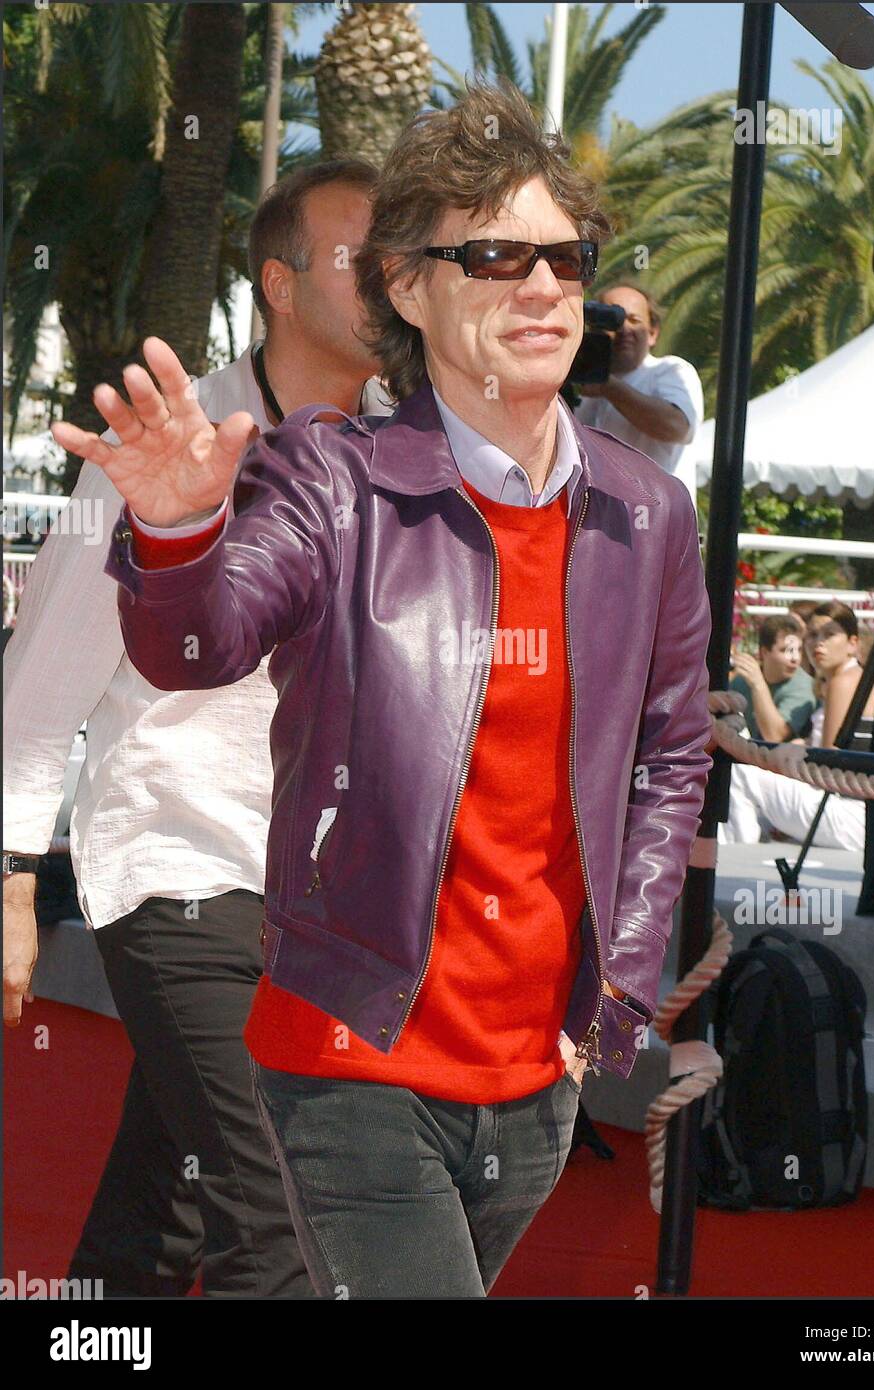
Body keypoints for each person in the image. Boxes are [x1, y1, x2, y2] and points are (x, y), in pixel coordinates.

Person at [65, 79, 714, 1299]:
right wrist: (175, 534)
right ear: (408, 286)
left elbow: (670, 756)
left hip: (536, 1082)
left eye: (565, 259)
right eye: (493, 256)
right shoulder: (332, 475)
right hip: (351, 1052)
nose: (541, 289)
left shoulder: (647, 512)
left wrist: (620, 986)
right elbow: (194, 648)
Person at [3, 158, 392, 1298]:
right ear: (279, 281)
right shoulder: (162, 442)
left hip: (320, 894)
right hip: (176, 867)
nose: (390, 277)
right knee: (281, 1216)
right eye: (357, 254)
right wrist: (12, 877)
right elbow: (41, 684)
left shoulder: (402, 452)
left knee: (161, 1210)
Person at [720, 601, 874, 851]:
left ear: (852, 643)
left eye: (829, 634)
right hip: (854, 814)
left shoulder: (844, 682)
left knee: (742, 773)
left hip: (848, 814)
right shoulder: (843, 680)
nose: (818, 643)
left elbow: (827, 764)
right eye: (813, 635)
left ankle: (737, 853)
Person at [573, 278, 704, 510]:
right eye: (613, 320)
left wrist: (608, 387)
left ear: (653, 333)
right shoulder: (576, 382)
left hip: (655, 529)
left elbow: (677, 427)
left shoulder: (670, 370)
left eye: (634, 320)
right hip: (592, 529)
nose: (624, 329)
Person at [729, 613, 819, 742]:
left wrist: (758, 685)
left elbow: (774, 736)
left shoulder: (804, 687)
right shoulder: (741, 682)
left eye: (798, 650)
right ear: (764, 652)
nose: (795, 658)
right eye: (785, 650)